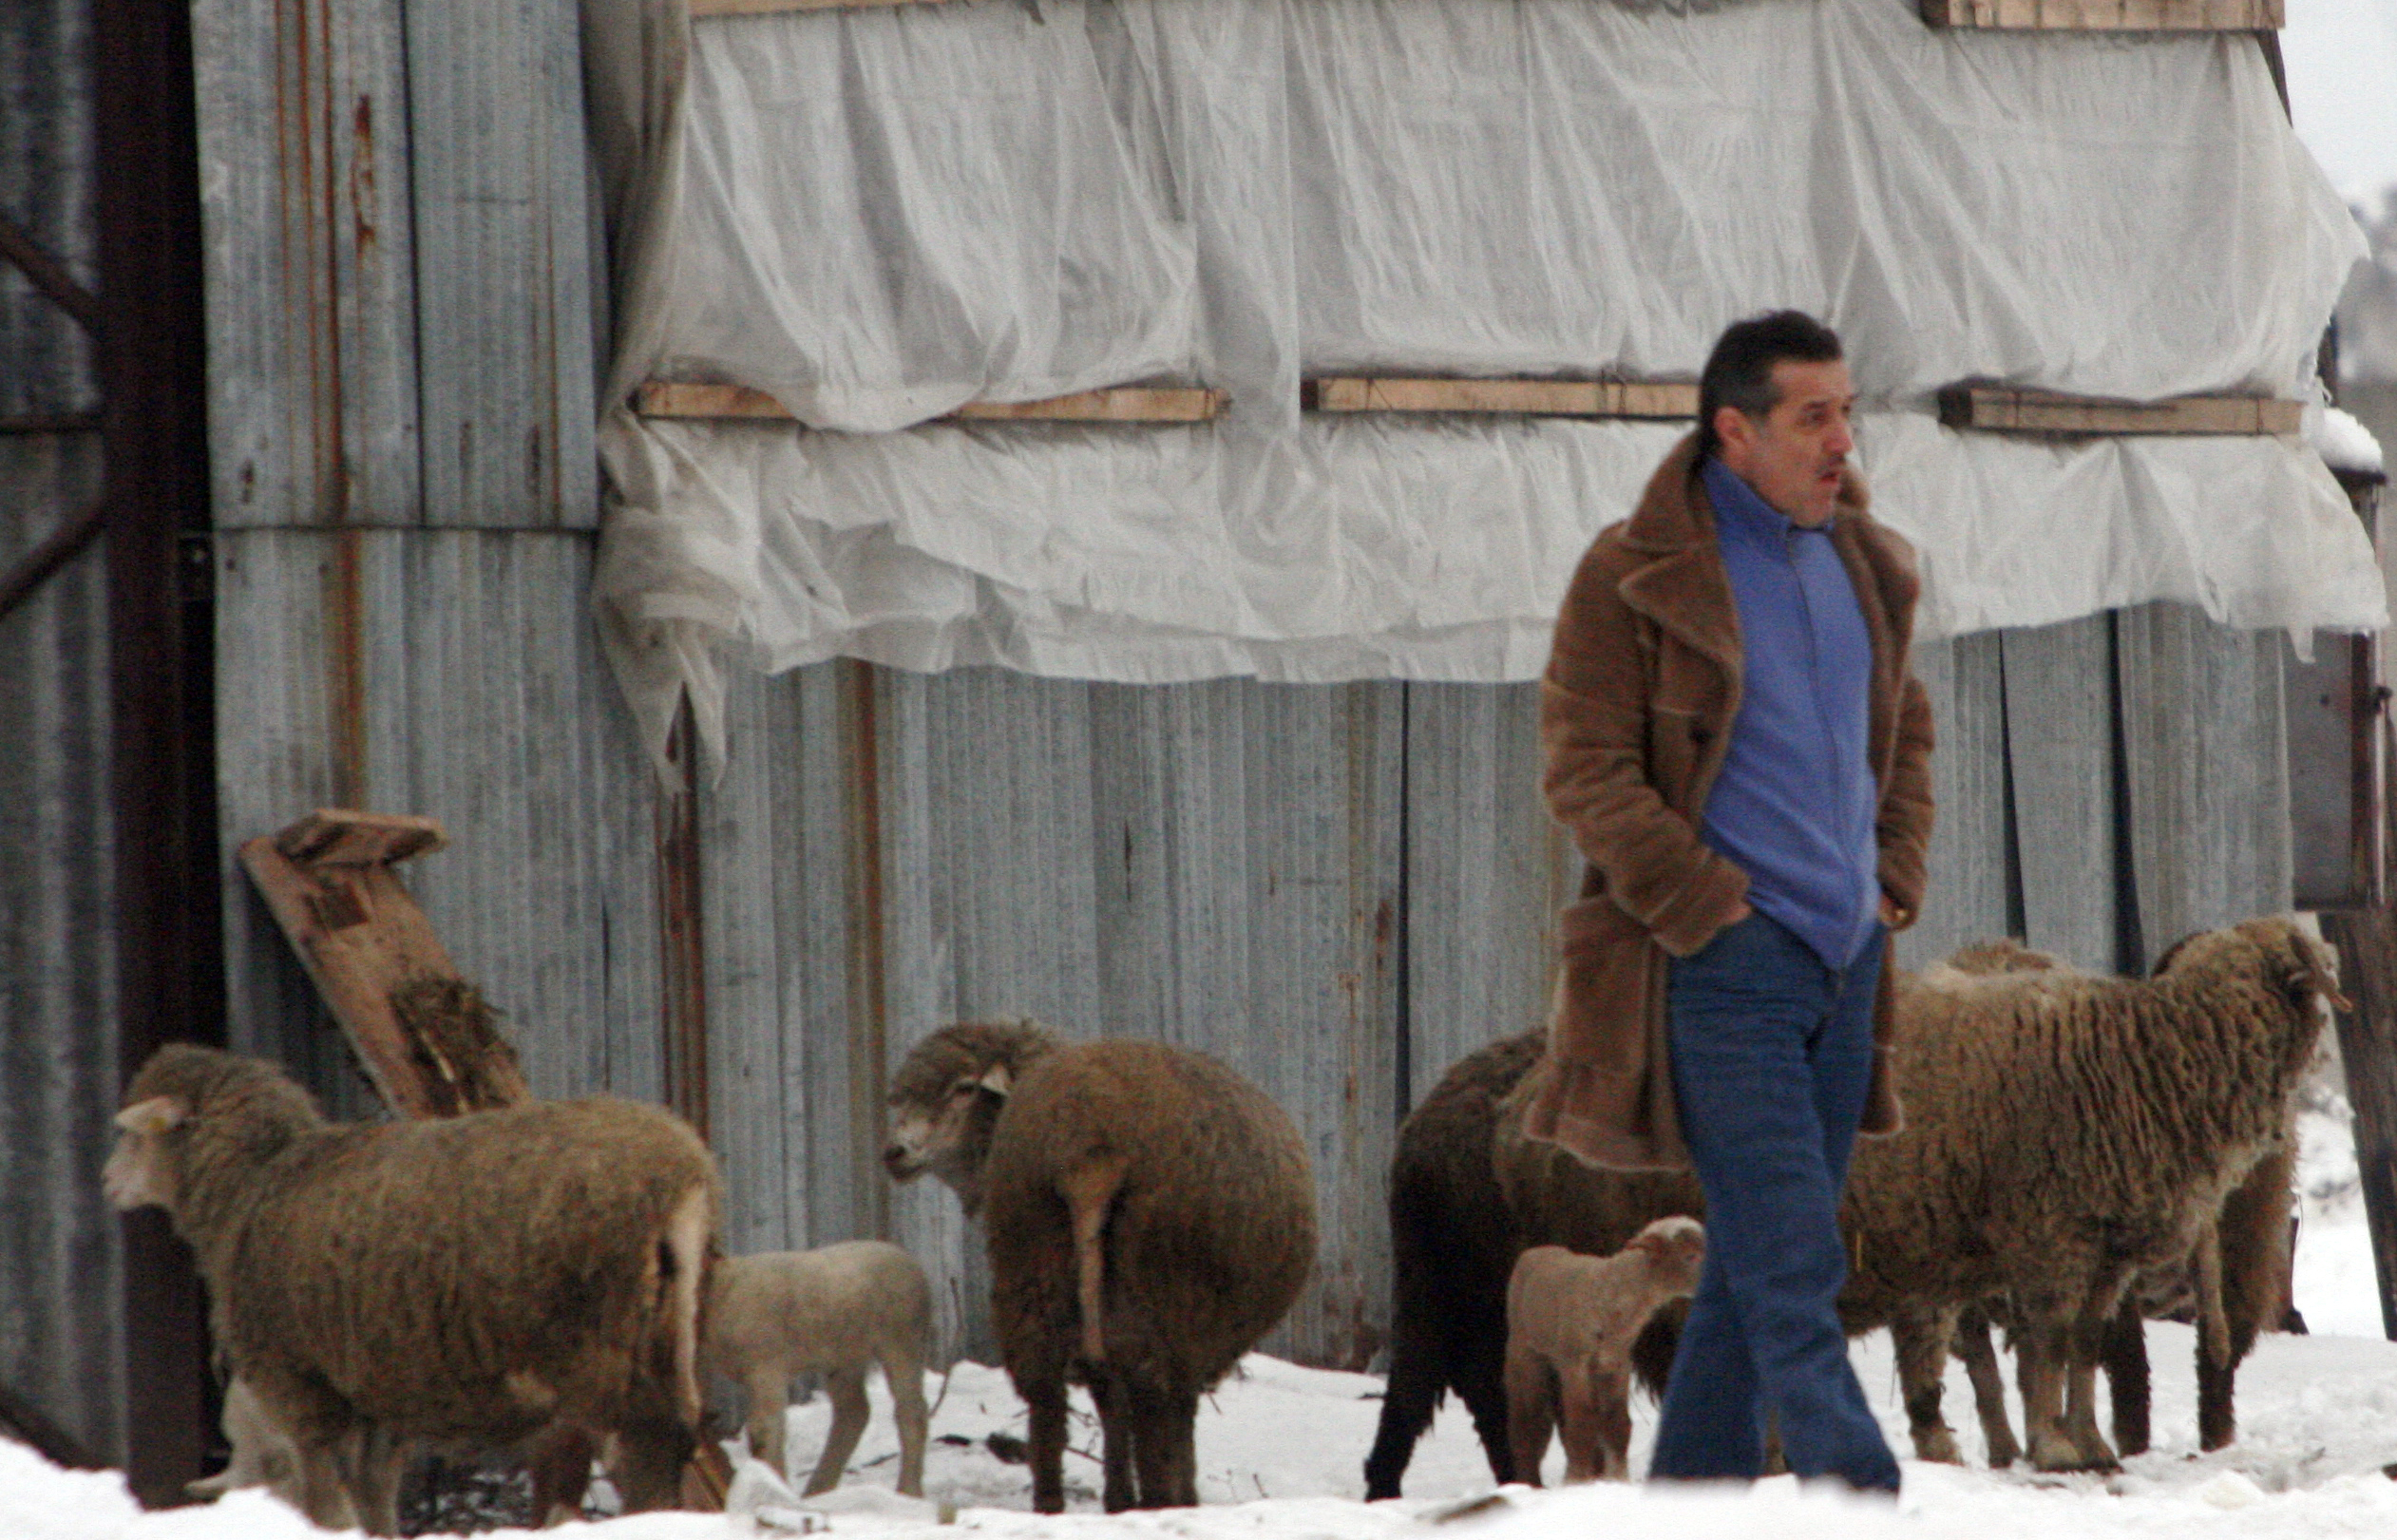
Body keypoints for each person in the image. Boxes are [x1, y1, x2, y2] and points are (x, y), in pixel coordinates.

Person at [1523, 310, 1934, 1492]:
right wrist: (1706, 904)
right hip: (1726, 966)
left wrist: (1891, 877)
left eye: (1849, 412)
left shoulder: (1867, 560)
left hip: (1847, 963)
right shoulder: (1632, 576)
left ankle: (1689, 1499)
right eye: (1815, 416)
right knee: (1794, 1252)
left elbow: (1904, 735)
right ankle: (1861, 1490)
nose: (1842, 440)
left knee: (1757, 1259)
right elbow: (1583, 766)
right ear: (1734, 431)